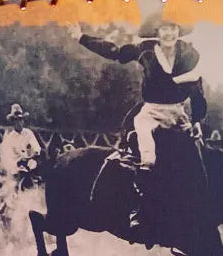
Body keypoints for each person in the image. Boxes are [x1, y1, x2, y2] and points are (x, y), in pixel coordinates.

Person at [66, 13, 206, 237]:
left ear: (179, 31)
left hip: (179, 114)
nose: (169, 32)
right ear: (157, 32)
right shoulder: (145, 50)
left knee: (195, 158)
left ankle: (193, 214)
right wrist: (82, 37)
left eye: (173, 28)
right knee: (147, 157)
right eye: (164, 28)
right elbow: (115, 52)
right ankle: (138, 210)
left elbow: (196, 89)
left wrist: (198, 119)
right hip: (151, 112)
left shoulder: (190, 55)